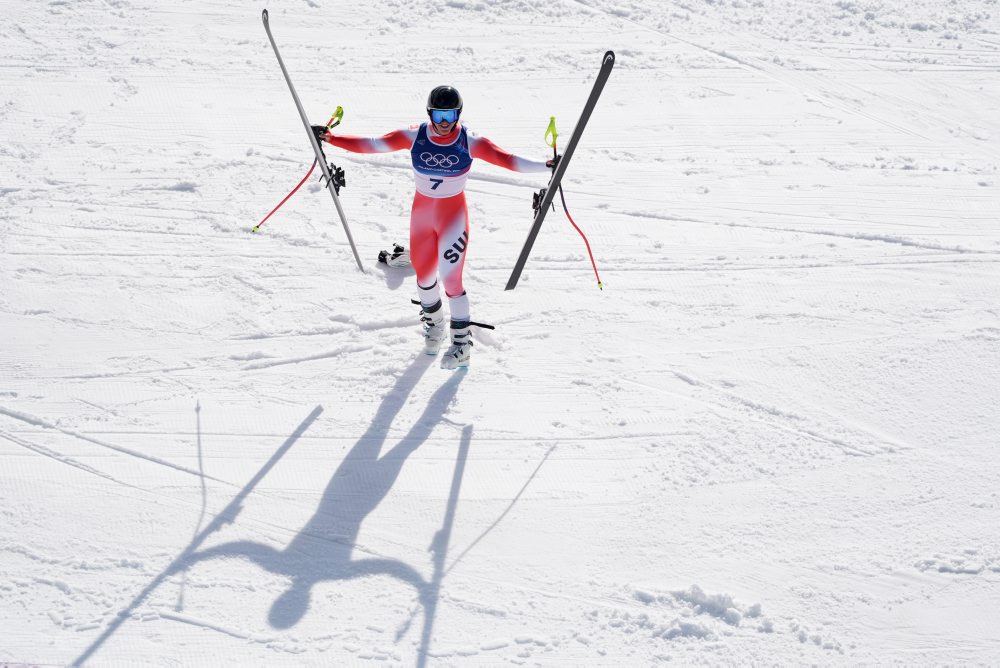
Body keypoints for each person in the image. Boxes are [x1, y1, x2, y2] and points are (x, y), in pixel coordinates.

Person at [312, 85, 557, 369]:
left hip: (453, 219)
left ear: (458, 114)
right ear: (430, 114)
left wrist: (547, 165)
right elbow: (373, 144)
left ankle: (461, 346)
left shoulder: (469, 141)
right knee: (424, 277)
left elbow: (509, 160)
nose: (444, 122)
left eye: (450, 115)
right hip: (422, 219)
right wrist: (331, 138)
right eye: (439, 115)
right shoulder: (415, 136)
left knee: (452, 282)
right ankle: (435, 326)